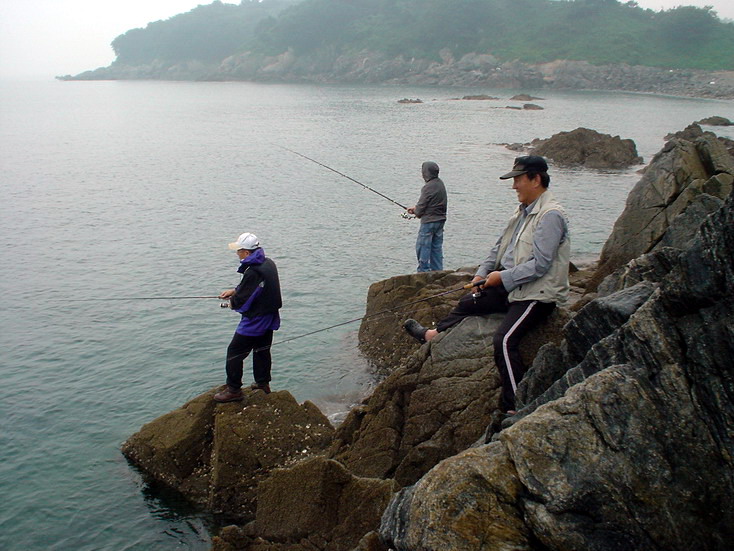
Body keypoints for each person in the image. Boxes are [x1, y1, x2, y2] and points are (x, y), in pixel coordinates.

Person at [404, 155, 570, 414]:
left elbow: (541, 265)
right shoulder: (521, 212)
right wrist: (481, 276)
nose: (514, 185)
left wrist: (501, 278)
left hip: (537, 294)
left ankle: (514, 406)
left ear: (535, 179)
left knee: (504, 341)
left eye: (517, 179)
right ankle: (432, 336)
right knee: (468, 302)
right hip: (513, 286)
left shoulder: (550, 216)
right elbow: (498, 249)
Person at [213, 232, 282, 403]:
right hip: (270, 315)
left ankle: (234, 390)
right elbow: (255, 288)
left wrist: (232, 302)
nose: (237, 253)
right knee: (261, 350)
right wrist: (235, 290)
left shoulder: (253, 271)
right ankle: (263, 384)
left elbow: (243, 300)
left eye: (238, 250)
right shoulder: (268, 263)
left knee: (234, 352)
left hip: (256, 319)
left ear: (246, 252)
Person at [406, 161, 447, 272]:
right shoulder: (440, 184)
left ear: (426, 173)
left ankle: (423, 271)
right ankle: (438, 271)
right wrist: (416, 209)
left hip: (429, 222)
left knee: (423, 246)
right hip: (440, 221)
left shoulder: (427, 187)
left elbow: (420, 211)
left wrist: (416, 211)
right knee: (436, 248)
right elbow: (432, 204)